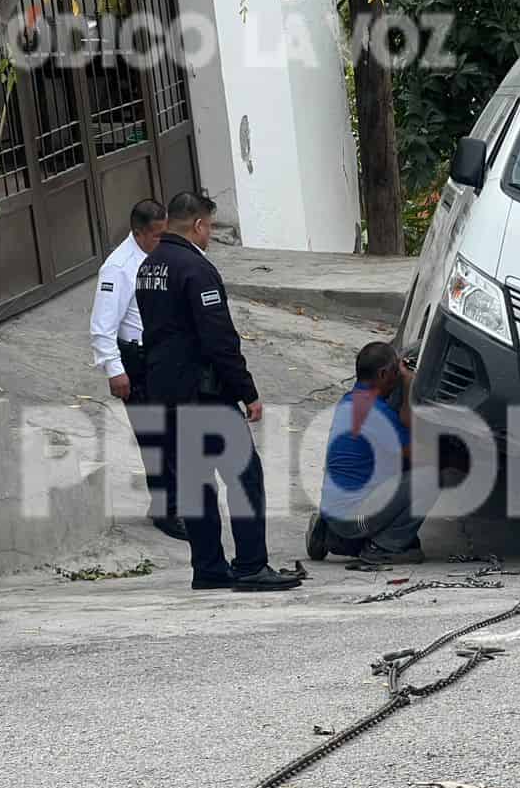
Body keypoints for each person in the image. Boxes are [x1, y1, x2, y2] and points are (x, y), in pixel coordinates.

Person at [135, 190, 301, 592]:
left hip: (164, 391)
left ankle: (208, 567)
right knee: (245, 476)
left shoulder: (149, 267)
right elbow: (219, 341)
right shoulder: (196, 269)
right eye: (208, 227)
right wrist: (248, 391)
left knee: (194, 482)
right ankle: (250, 566)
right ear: (197, 225)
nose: (209, 235)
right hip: (203, 393)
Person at [89, 198, 184, 540]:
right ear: (139, 232)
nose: (163, 240)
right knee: (155, 436)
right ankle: (166, 509)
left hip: (163, 357)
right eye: (157, 235)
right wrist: (115, 371)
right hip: (136, 361)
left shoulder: (161, 257)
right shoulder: (119, 267)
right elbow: (102, 326)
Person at [305, 341, 435, 565]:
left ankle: (330, 535)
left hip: (336, 512)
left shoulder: (349, 401)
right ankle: (382, 548)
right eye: (396, 372)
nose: (397, 379)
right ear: (384, 374)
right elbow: (420, 457)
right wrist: (410, 383)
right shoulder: (378, 415)